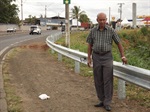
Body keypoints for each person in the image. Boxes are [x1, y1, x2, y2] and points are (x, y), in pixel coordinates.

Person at [86, 12, 127, 111]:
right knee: (98, 80)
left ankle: (107, 102)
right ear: (97, 20)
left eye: (104, 19)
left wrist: (123, 56)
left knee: (107, 80)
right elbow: (90, 45)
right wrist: (89, 57)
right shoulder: (93, 31)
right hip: (96, 56)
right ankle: (101, 100)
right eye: (100, 20)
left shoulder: (111, 30)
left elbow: (119, 43)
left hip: (107, 57)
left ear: (106, 20)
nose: (102, 21)